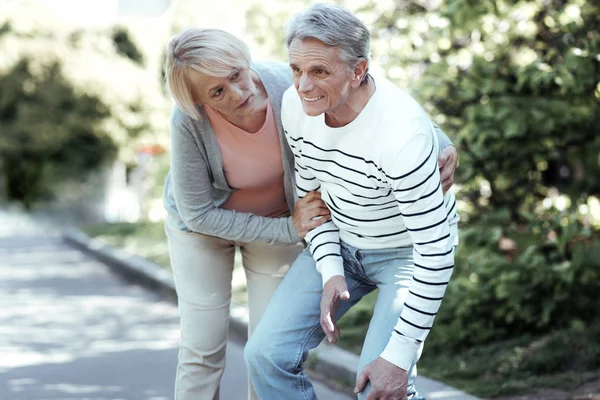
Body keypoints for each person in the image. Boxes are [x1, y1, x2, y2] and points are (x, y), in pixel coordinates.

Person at [162, 28, 457, 400]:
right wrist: (292, 229)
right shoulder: (188, 121)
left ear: (245, 60)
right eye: (217, 92)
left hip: (280, 219)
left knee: (266, 350)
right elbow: (199, 214)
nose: (238, 93)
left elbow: (375, 99)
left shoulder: (289, 83)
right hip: (205, 228)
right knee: (201, 347)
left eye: (236, 75)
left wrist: (443, 143)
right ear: (198, 101)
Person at [244, 4, 459, 400]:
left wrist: (398, 357)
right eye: (296, 70)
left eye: (319, 72)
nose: (303, 85)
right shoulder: (296, 106)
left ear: (358, 71)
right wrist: (330, 270)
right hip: (341, 239)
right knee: (264, 355)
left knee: (379, 387)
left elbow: (436, 253)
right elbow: (313, 203)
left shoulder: (401, 135)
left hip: (407, 254)